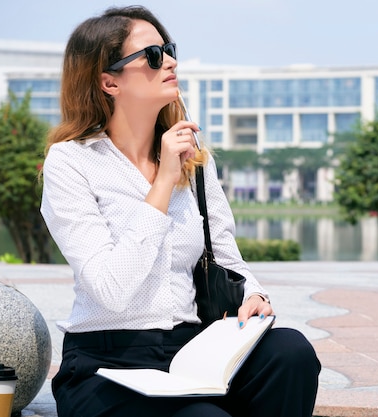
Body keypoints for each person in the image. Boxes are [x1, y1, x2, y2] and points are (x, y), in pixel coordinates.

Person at [40, 5, 321, 417]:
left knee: (291, 353)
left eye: (169, 49)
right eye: (153, 55)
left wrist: (254, 293)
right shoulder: (71, 162)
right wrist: (163, 182)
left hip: (191, 349)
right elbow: (110, 290)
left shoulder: (195, 162)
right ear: (108, 81)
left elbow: (225, 254)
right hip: (108, 360)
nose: (170, 61)